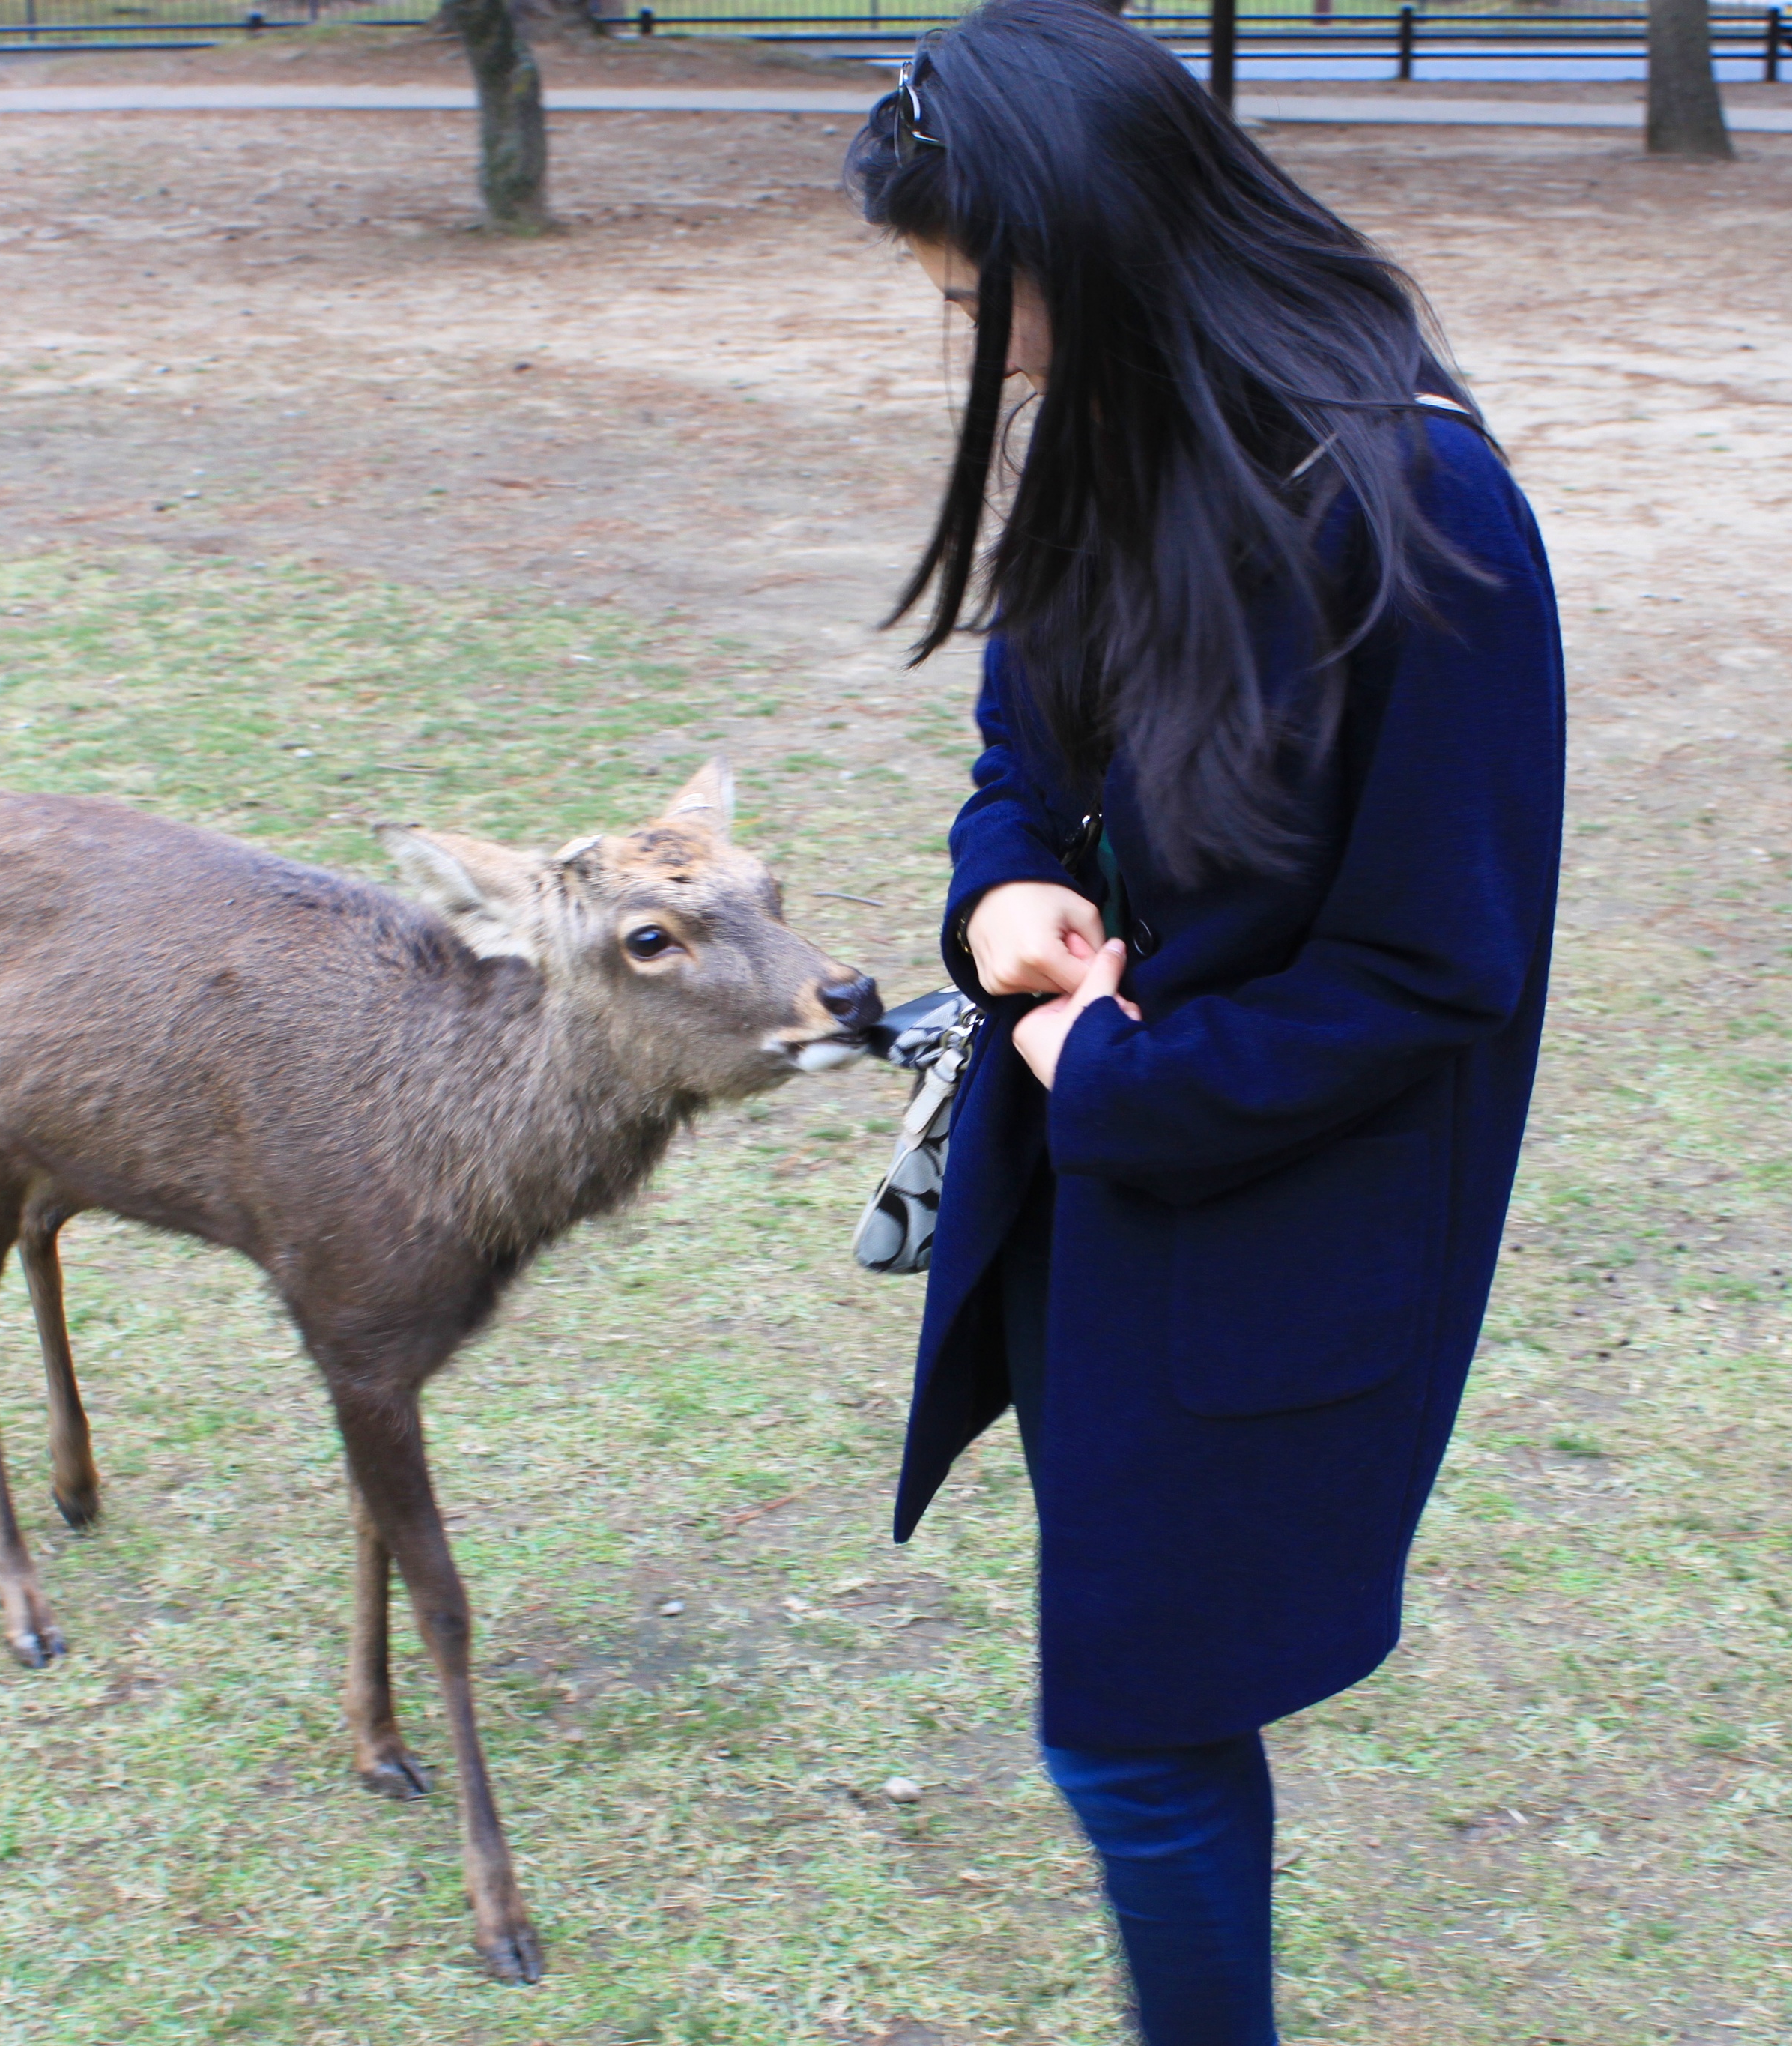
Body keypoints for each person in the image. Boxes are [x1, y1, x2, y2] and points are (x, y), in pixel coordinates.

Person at [844, 5, 1565, 2040]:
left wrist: (1113, 1066)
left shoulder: (1427, 520)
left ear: (1105, 236)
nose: (988, 350)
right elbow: (1019, 743)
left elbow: (1435, 967)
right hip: (1108, 1208)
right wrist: (1001, 886)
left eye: (985, 298)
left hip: (1269, 1226)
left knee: (1133, 1735)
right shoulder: (1119, 429)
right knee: (1143, 1697)